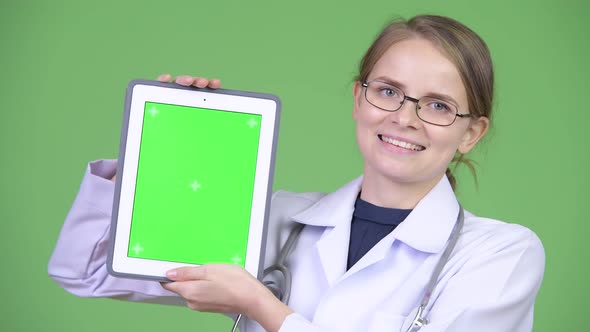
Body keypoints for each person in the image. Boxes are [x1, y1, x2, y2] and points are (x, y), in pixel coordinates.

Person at [48, 14, 545, 332]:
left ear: (471, 133)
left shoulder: (500, 255)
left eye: (437, 105)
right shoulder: (279, 219)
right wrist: (156, 149)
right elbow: (86, 271)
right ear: (358, 98)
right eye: (389, 91)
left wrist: (265, 308)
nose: (404, 118)